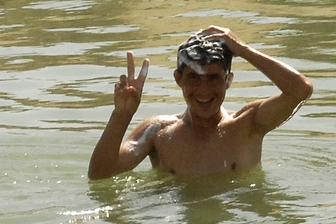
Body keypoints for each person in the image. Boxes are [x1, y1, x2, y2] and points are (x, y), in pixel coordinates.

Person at [88, 25, 313, 180]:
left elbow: (300, 90)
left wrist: (243, 50)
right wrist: (121, 115)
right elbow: (100, 175)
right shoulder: (159, 132)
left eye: (213, 78)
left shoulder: (248, 123)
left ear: (228, 80)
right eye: (193, 78)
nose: (203, 90)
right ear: (178, 79)